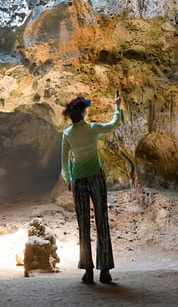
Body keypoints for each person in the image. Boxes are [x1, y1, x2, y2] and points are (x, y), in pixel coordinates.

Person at [60, 91, 124, 284]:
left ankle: (87, 270)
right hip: (96, 176)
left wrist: (69, 179)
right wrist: (117, 107)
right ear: (83, 114)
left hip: (79, 180)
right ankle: (105, 270)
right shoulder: (93, 128)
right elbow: (114, 125)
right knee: (102, 220)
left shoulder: (67, 134)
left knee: (83, 224)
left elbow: (64, 161)